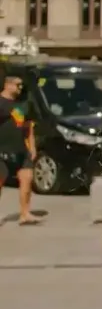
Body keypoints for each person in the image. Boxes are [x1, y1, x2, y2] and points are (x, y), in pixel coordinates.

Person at [0, 76, 39, 224]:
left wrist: (32, 147)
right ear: (7, 85)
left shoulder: (21, 105)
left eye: (21, 85)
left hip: (21, 149)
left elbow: (29, 127)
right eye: (17, 85)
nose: (20, 87)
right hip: (2, 149)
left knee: (27, 179)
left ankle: (25, 214)